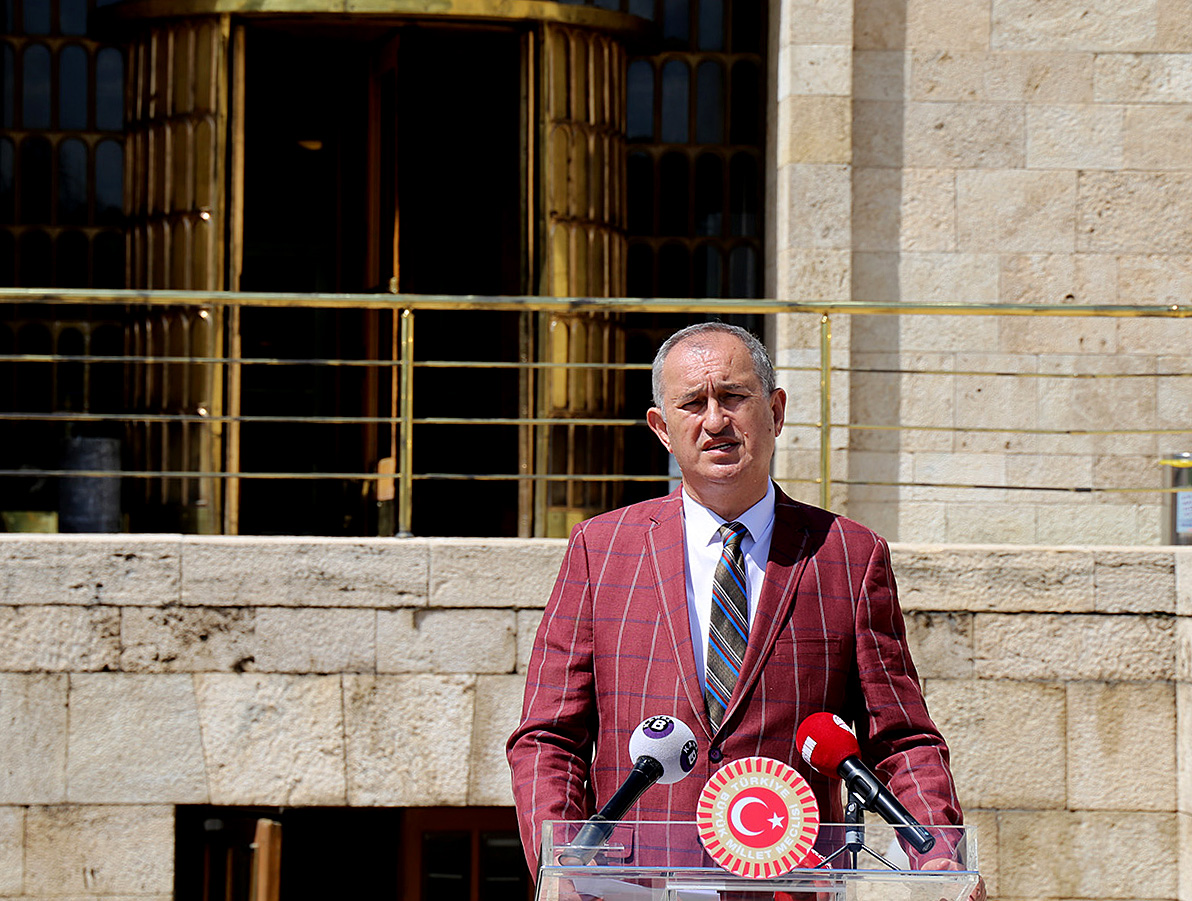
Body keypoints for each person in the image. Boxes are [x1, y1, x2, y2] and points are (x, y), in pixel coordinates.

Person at [507, 322, 984, 899]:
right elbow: (548, 736)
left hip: (788, 885)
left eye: (733, 397)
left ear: (775, 412)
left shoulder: (848, 556)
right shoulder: (602, 550)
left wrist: (939, 853)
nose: (714, 421)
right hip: (632, 885)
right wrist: (560, 864)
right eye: (692, 403)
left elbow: (901, 737)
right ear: (662, 428)